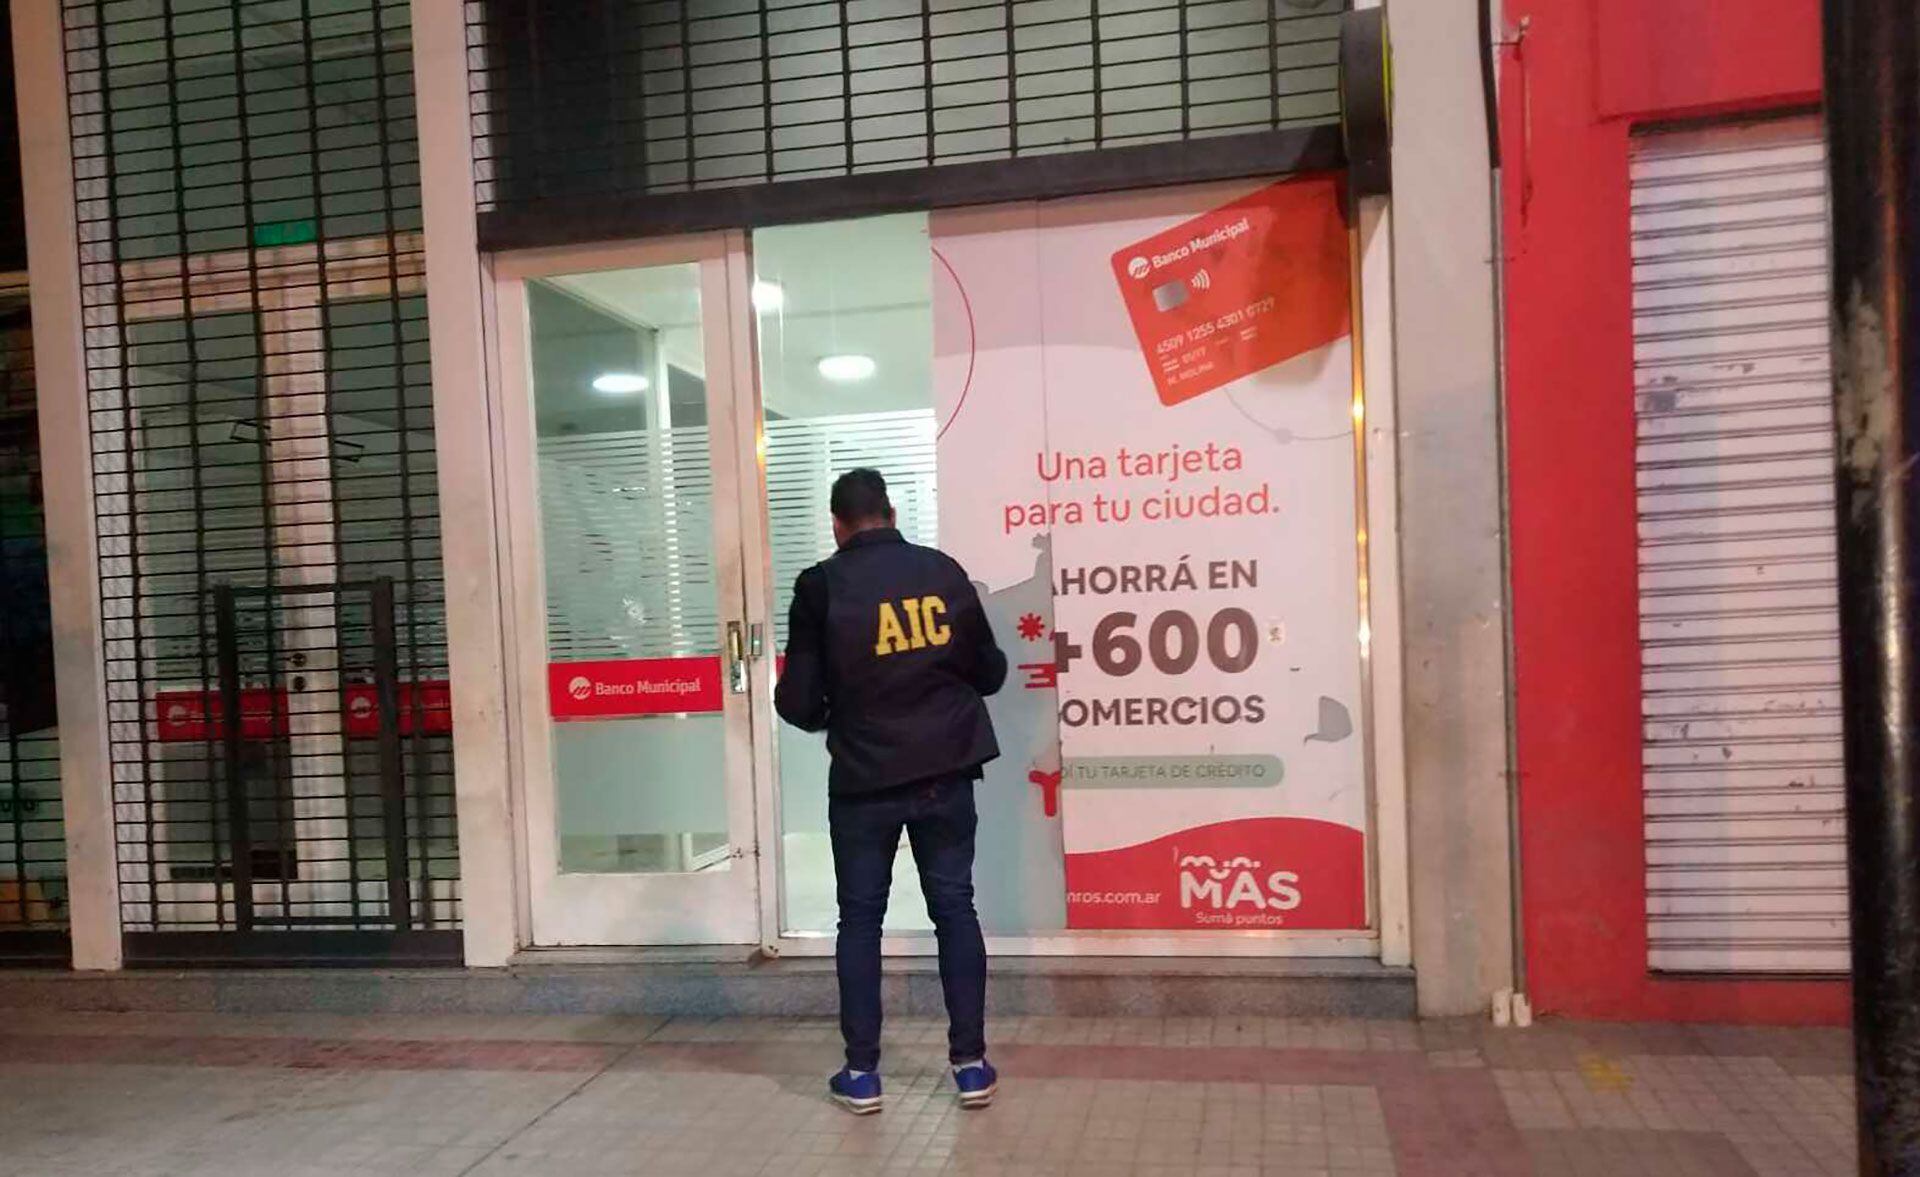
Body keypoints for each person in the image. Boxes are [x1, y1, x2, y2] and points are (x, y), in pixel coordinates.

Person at [774, 467, 1008, 1115]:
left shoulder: (820, 586)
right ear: (891, 513)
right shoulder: (943, 572)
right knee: (955, 908)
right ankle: (970, 1066)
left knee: (860, 920)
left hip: (864, 778)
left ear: (837, 524)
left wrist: (837, 715)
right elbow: (989, 671)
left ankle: (862, 1074)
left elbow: (797, 701)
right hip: (945, 772)